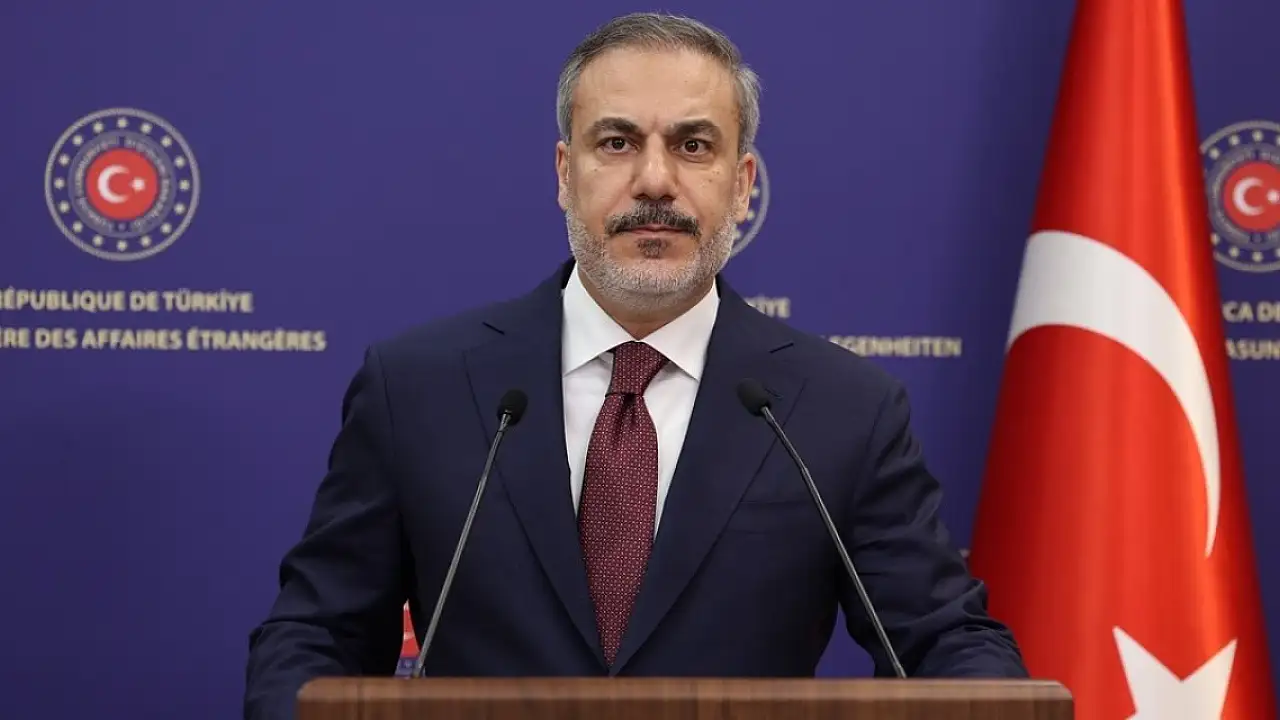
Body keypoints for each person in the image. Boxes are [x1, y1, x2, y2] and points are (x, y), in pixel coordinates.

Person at [243, 11, 1027, 719]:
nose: (655, 180)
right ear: (565, 173)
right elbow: (312, 638)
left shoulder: (841, 408)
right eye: (617, 143)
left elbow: (948, 644)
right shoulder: (420, 388)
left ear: (742, 185)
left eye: (693, 145)